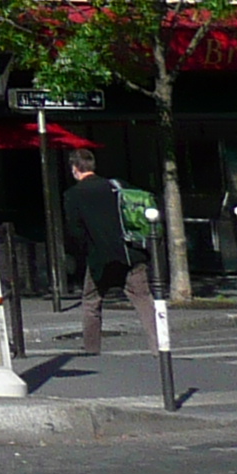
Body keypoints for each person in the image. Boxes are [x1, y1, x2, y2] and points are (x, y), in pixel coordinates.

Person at [62, 148, 152, 357]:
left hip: (99, 258)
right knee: (144, 301)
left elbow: (75, 231)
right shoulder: (116, 186)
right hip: (131, 254)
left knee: (92, 303)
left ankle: (92, 350)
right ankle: (159, 346)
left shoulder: (73, 195)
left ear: (75, 169)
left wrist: (82, 252)